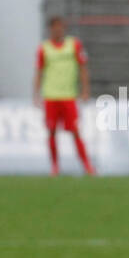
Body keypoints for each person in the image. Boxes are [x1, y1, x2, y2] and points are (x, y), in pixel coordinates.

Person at [35, 17, 94, 176]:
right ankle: (55, 167)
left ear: (64, 28)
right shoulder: (44, 48)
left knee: (75, 131)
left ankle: (87, 166)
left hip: (69, 96)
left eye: (60, 27)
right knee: (52, 131)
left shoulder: (74, 45)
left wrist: (85, 90)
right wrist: (36, 94)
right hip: (51, 96)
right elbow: (39, 72)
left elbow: (83, 68)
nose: (58, 30)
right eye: (54, 27)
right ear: (50, 29)